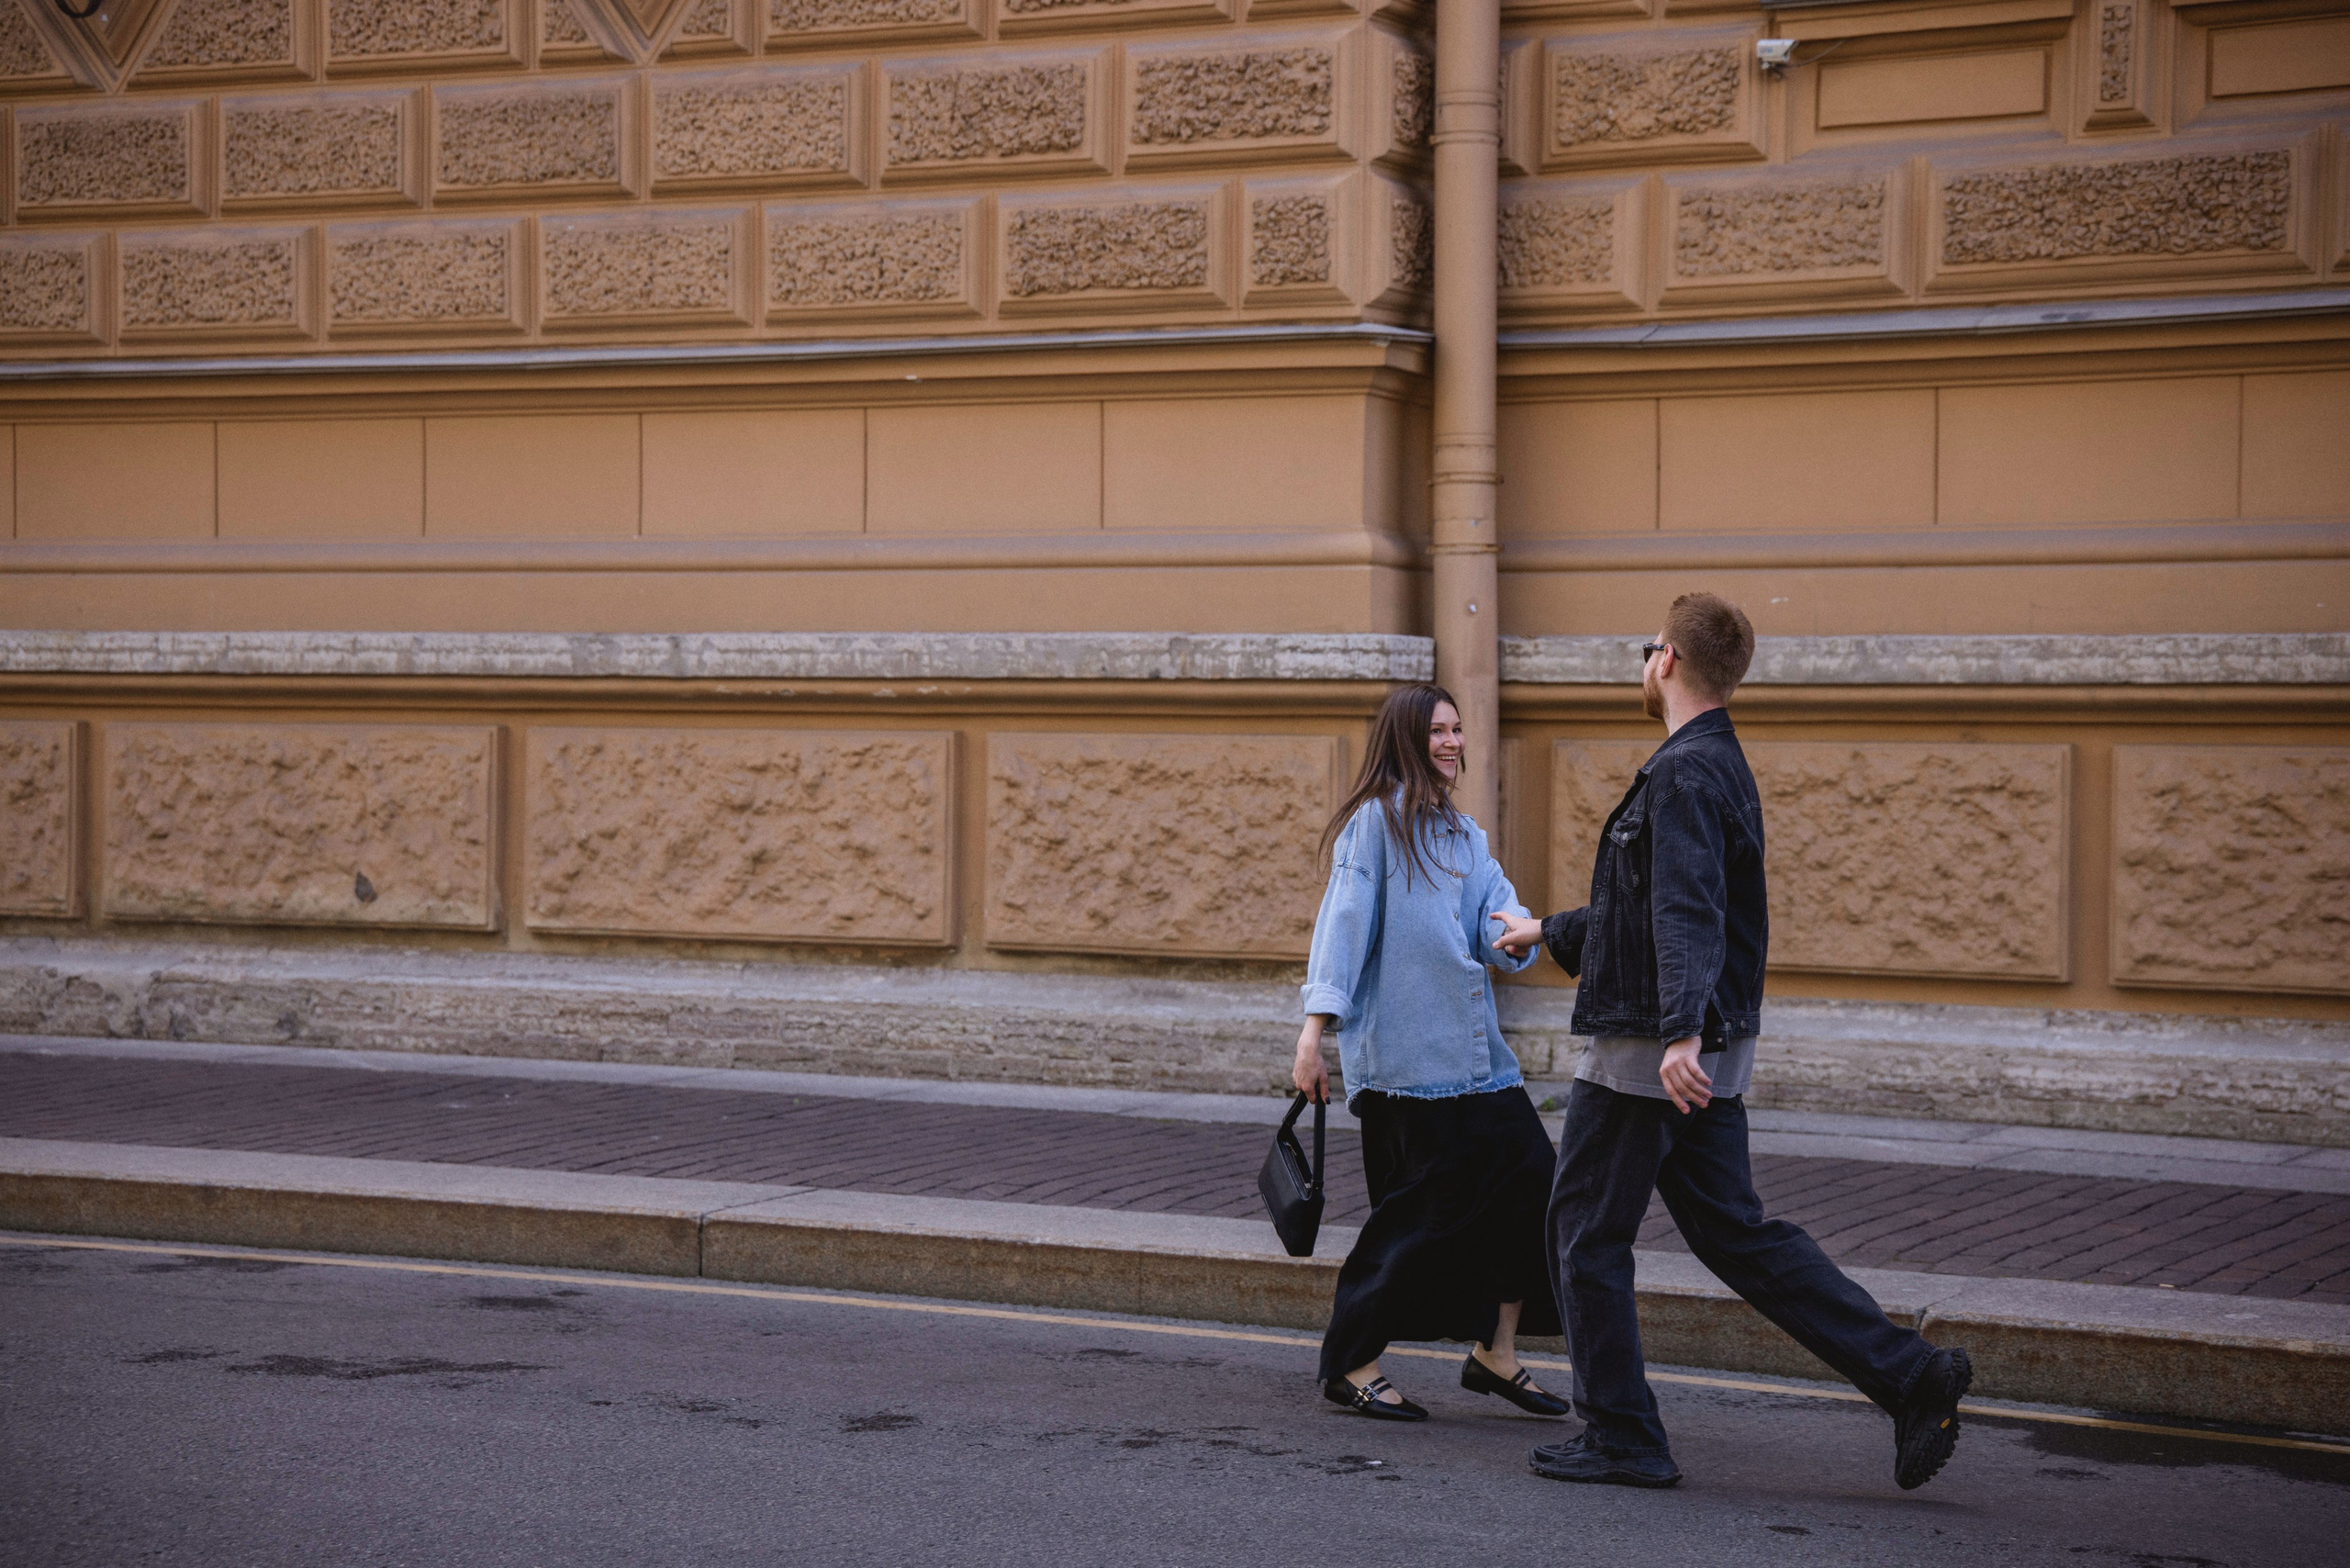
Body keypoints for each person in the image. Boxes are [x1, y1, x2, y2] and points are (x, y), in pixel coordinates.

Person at [1490, 593, 1972, 1491]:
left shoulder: (1682, 771)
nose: (1643, 662)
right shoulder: (1717, 762)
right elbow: (1651, 908)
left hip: (1648, 1049)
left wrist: (1678, 1032)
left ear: (1666, 659)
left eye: (1646, 648)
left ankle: (1623, 1434)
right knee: (1735, 1234)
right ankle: (1913, 1375)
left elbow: (1685, 912)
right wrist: (1547, 931)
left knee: (1584, 1234)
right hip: (1693, 1040)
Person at [1292, 681, 1568, 1424]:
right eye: (1437, 731)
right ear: (1407, 740)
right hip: (1408, 1068)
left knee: (1534, 1188)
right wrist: (1314, 1035)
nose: (1452, 742)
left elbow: (1495, 918)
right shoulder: (1374, 827)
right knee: (1419, 1220)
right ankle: (1351, 1361)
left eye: (1456, 730)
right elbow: (1343, 926)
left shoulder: (1465, 835)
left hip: (1478, 1063)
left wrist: (1533, 930)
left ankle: (1496, 1353)